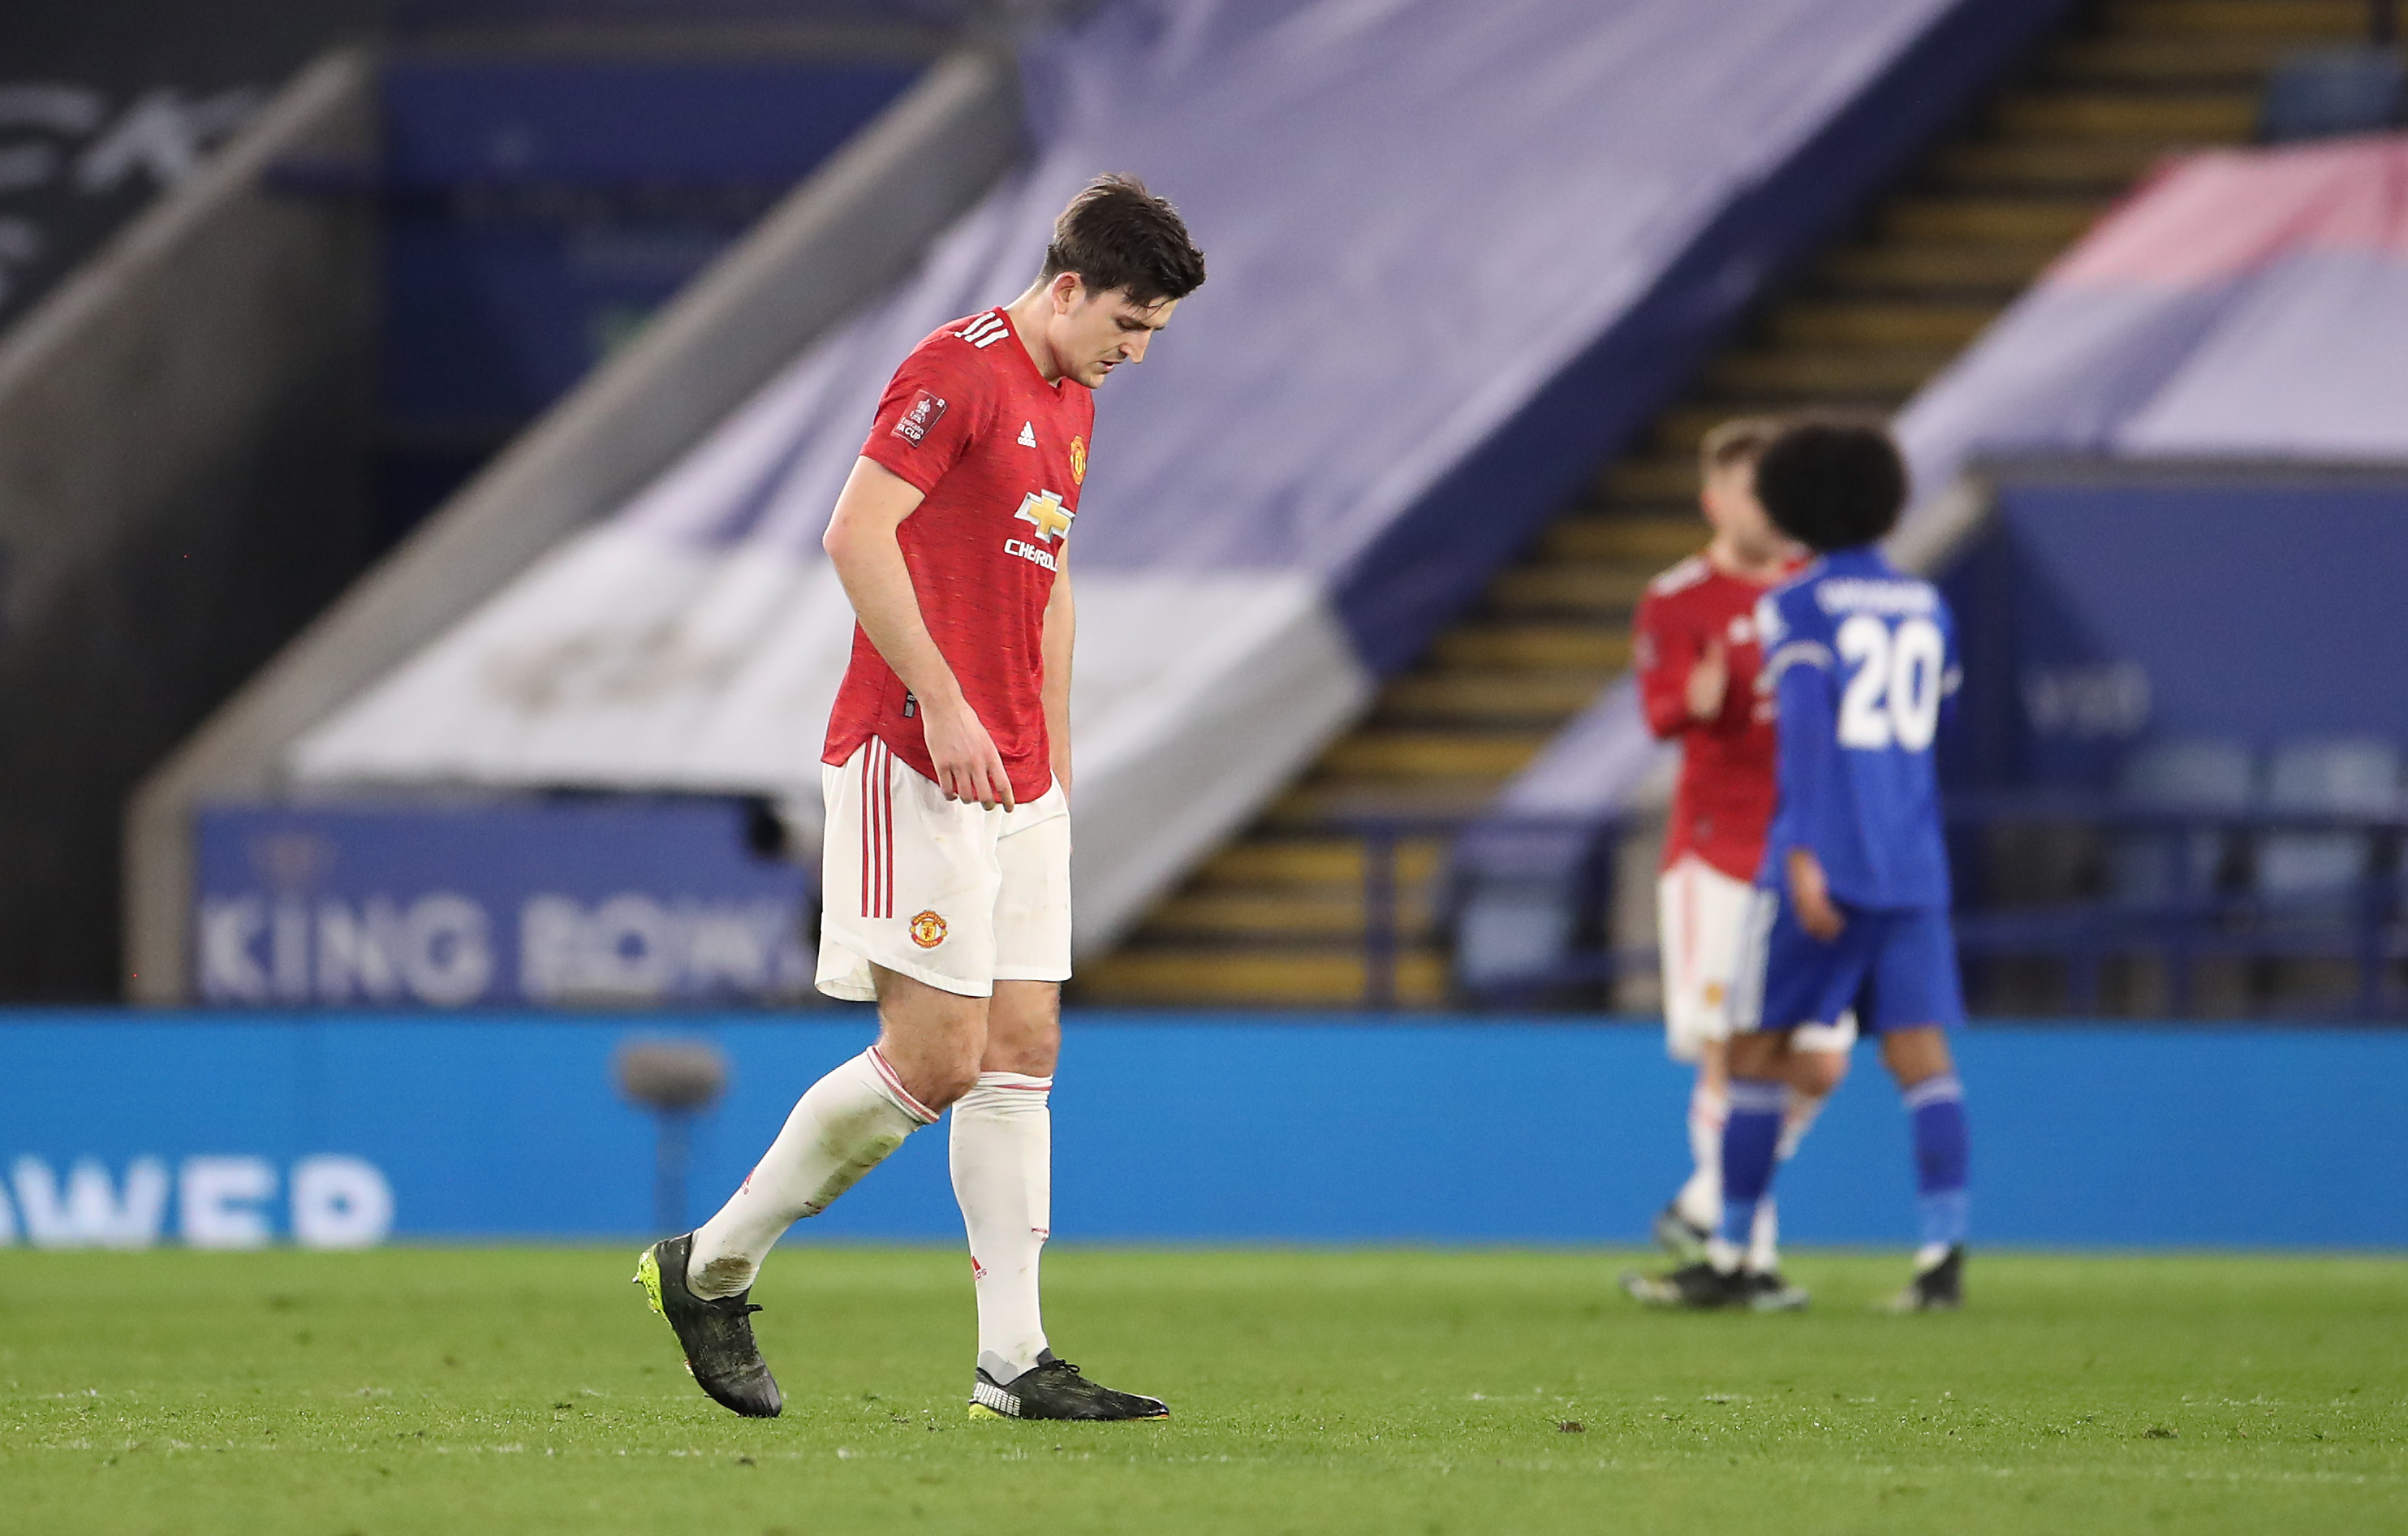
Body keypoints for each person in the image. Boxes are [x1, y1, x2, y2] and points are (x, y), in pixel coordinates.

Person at [634, 175, 1207, 1418]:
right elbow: (854, 533)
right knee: (935, 1060)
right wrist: (944, 702)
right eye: (1127, 324)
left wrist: (1053, 758)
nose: (1135, 351)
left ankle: (1014, 1363)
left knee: (1022, 1051)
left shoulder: (1069, 400)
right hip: (912, 756)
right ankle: (711, 1266)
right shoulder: (955, 370)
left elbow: (1049, 582)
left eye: (1152, 332)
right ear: (1068, 287)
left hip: (1015, 775)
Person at [1634, 415, 1972, 1313]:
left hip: (1818, 863)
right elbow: (1935, 724)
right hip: (1913, 861)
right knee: (1920, 1057)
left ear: (1796, 503)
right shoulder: (1925, 604)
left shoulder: (1798, 605)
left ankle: (1731, 1253)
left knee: (1750, 1049)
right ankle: (1942, 1258)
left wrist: (1808, 857)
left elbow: (1809, 742)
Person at [1619, 418, 1851, 1313]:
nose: (1772, 506)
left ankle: (1707, 1197)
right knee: (1729, 1055)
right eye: (1755, 490)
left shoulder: (1819, 588)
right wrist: (1695, 698)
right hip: (1716, 855)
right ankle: (1745, 1255)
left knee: (1820, 1063)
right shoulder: (1678, 597)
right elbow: (1659, 714)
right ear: (1715, 501)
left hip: (1804, 855)